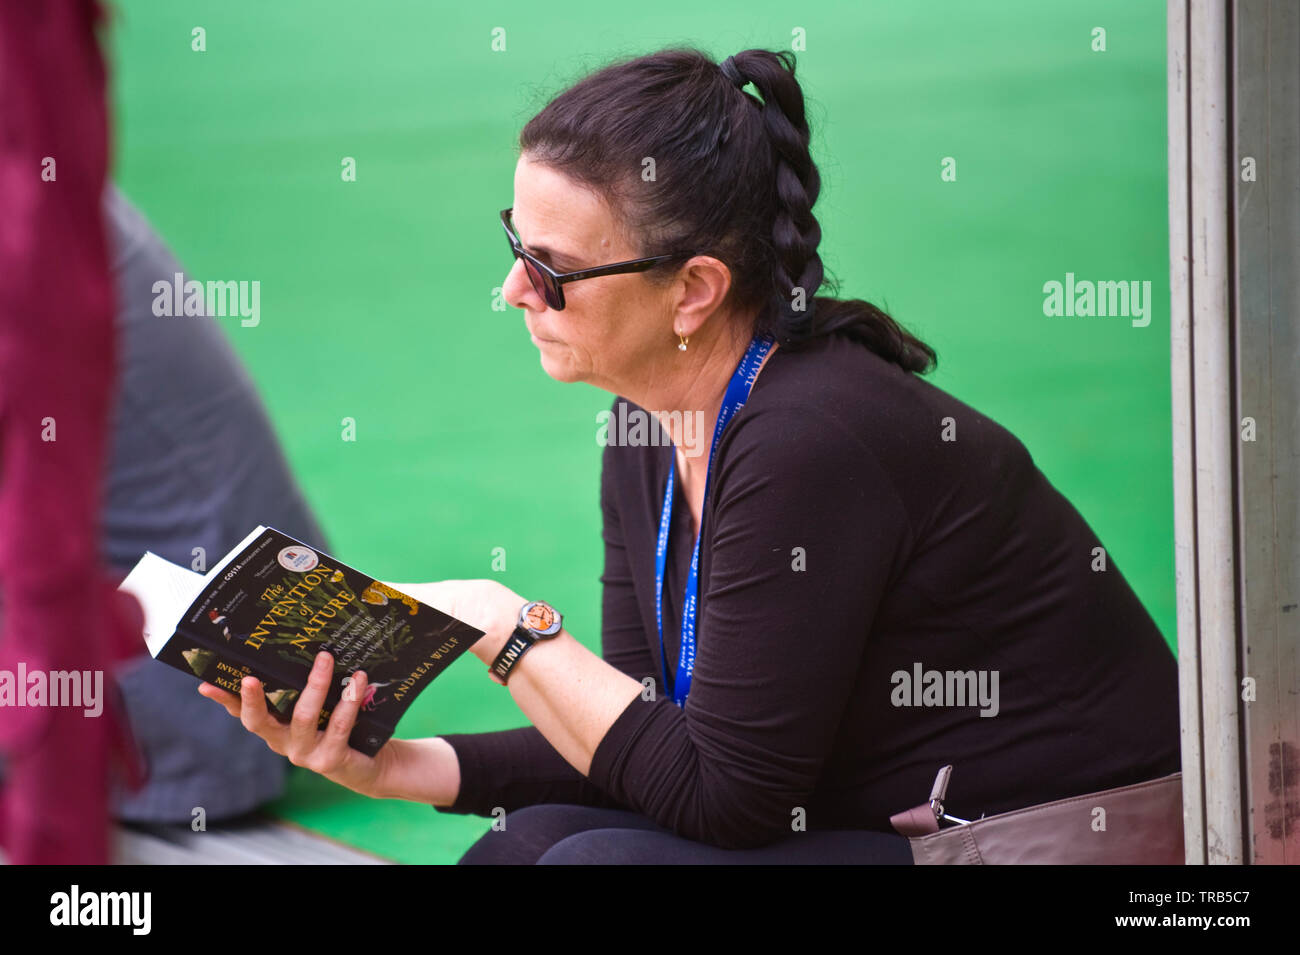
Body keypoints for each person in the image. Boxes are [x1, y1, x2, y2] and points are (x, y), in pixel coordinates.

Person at [199, 47, 1181, 864]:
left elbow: (726, 801)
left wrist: (504, 625)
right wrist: (399, 765)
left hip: (1052, 842)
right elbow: (644, 740)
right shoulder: (648, 418)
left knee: (598, 866)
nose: (511, 291)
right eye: (515, 243)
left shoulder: (808, 436)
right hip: (884, 814)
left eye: (552, 270)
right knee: (522, 847)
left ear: (694, 290)